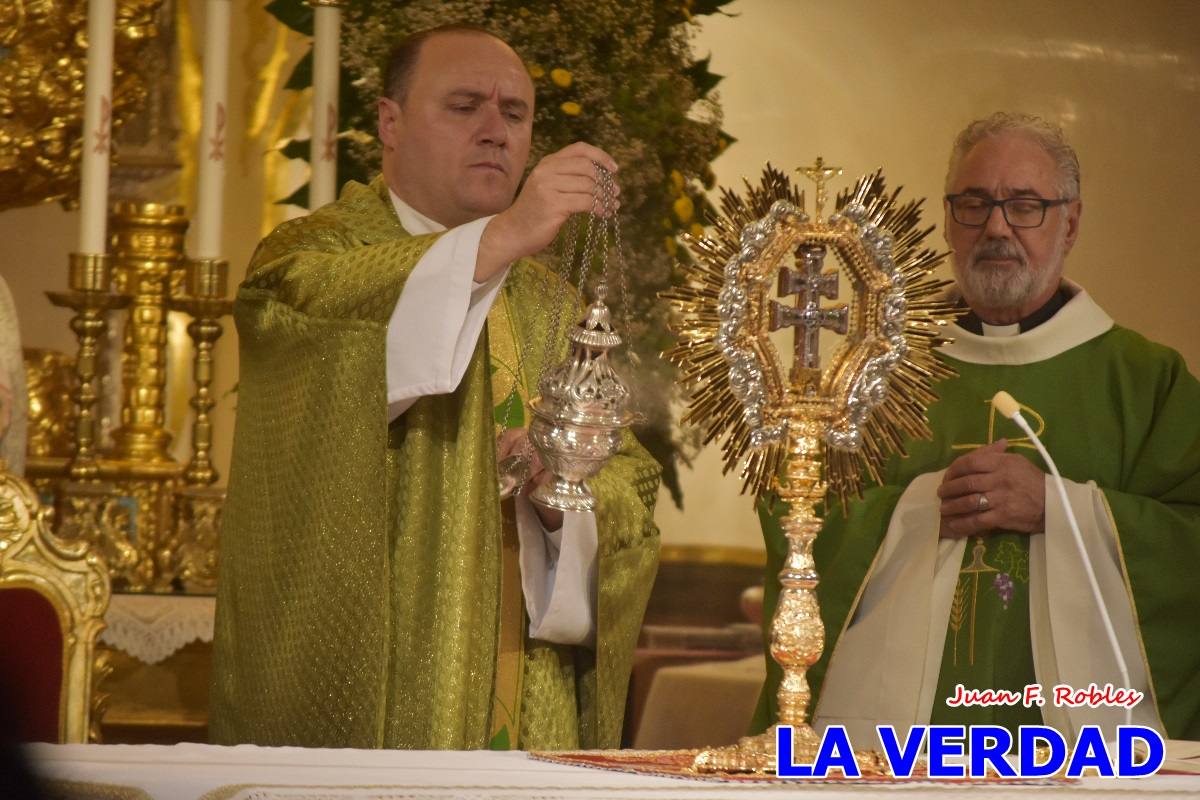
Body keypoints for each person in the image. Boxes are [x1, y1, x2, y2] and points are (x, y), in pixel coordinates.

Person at [210, 25, 661, 750]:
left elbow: (630, 488)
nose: (495, 131)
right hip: (375, 692)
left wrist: (560, 493)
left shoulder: (557, 306)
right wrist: (506, 234)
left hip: (526, 695)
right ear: (390, 123)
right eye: (464, 106)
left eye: (514, 113)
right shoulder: (310, 255)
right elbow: (327, 359)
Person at [754, 112, 1200, 742]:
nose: (996, 227)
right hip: (894, 748)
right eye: (974, 204)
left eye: (1025, 205)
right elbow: (796, 523)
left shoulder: (1146, 381)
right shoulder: (869, 367)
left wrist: (1061, 507)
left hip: (1085, 742)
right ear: (947, 219)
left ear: (1069, 222)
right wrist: (918, 509)